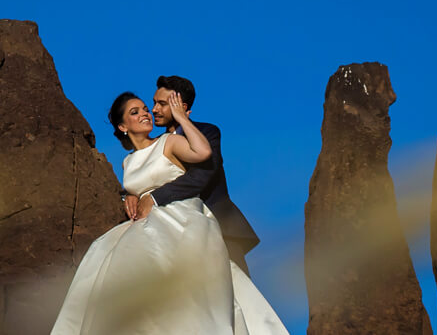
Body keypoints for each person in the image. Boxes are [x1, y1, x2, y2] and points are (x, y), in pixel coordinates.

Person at [49, 92, 290, 335]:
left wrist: (182, 119)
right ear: (123, 126)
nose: (145, 113)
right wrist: (128, 196)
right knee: (107, 260)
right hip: (144, 223)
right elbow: (137, 185)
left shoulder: (168, 142)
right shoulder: (127, 161)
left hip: (180, 216)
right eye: (135, 112)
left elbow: (202, 153)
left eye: (145, 108)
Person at [132, 75, 261, 271]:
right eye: (154, 103)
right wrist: (131, 196)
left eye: (162, 104)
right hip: (171, 234)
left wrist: (154, 198)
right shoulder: (155, 144)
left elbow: (202, 176)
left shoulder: (208, 133)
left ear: (181, 106)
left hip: (218, 228)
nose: (154, 109)